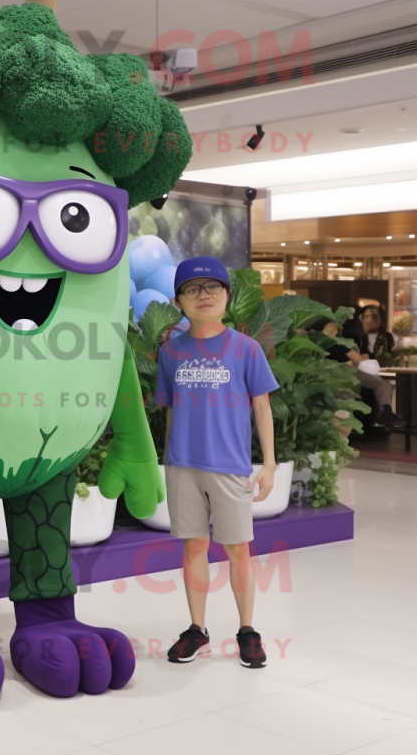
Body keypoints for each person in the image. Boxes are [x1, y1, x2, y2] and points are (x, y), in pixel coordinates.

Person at [156, 256, 278, 669]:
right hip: (182, 466)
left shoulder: (247, 348)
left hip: (229, 465)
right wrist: (169, 458)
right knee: (194, 547)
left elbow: (262, 408)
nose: (203, 295)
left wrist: (269, 465)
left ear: (227, 296)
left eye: (212, 287)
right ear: (179, 301)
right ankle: (197, 629)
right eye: (192, 289)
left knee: (238, 550)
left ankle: (247, 630)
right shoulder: (171, 352)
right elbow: (170, 409)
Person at [309, 317, 404, 427]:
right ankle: (386, 412)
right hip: (342, 378)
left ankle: (385, 413)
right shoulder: (335, 345)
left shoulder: (308, 343)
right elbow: (358, 362)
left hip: (320, 380)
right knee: (382, 382)